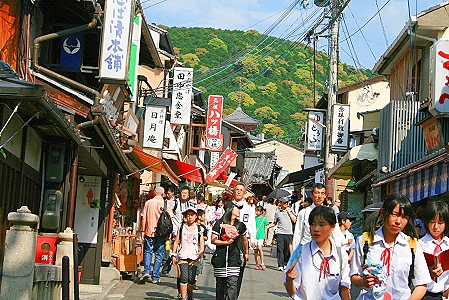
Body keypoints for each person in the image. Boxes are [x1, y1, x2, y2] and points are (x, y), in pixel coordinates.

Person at [350, 193, 432, 300]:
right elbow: (354, 276)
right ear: (383, 213)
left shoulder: (412, 245)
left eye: (404, 217)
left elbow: (422, 284)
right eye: (394, 214)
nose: (398, 221)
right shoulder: (365, 241)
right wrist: (363, 282)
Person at [284, 206, 351, 300]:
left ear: (333, 227)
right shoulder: (300, 253)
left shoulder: (340, 254)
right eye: (313, 224)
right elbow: (292, 292)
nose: (316, 229)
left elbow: (345, 288)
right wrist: (289, 280)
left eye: (322, 224)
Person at [211, 201, 248, 300]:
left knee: (232, 285)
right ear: (230, 209)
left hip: (234, 259)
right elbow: (213, 239)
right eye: (237, 208)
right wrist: (225, 243)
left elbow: (245, 240)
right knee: (220, 286)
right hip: (220, 259)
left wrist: (246, 253)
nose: (239, 210)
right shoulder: (219, 224)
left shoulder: (240, 225)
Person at [140, 186, 173, 284]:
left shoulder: (148, 203)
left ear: (154, 192)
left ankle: (146, 271)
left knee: (148, 251)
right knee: (159, 254)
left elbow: (143, 218)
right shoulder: (166, 204)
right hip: (161, 232)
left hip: (149, 231)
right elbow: (170, 219)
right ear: (163, 194)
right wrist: (169, 233)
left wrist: (142, 230)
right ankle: (155, 276)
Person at [171, 207, 205, 300]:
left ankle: (190, 292)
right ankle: (183, 297)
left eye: (192, 215)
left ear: (195, 216)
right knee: (184, 277)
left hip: (194, 256)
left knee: (191, 279)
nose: (189, 217)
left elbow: (201, 242)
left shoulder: (199, 229)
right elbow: (177, 241)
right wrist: (173, 254)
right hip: (183, 255)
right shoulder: (181, 227)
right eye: (188, 215)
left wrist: (201, 251)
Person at [420, 201, 449, 299]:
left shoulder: (448, 244)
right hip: (426, 294)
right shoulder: (420, 245)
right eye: (432, 222)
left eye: (440, 223)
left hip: (445, 293)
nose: (436, 227)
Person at [232, 182, 256, 296]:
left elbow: (252, 224)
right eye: (237, 189)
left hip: (243, 240)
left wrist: (253, 239)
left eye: (241, 190)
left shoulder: (249, 209)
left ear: (244, 193)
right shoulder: (228, 206)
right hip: (229, 240)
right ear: (233, 191)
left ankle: (235, 293)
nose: (239, 192)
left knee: (240, 267)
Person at [293, 183, 327, 249]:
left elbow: (335, 235)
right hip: (306, 249)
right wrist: (295, 255)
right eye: (317, 193)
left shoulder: (329, 213)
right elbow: (298, 234)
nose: (319, 196)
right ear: (311, 194)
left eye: (322, 193)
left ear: (325, 195)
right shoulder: (304, 212)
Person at [267, 197, 296, 271]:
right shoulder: (277, 212)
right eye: (284, 202)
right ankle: (280, 265)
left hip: (289, 233)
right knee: (280, 249)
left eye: (287, 202)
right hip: (280, 233)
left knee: (287, 250)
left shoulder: (291, 210)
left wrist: (289, 212)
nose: (286, 204)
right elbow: (275, 223)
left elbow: (294, 220)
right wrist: (267, 226)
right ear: (281, 203)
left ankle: (287, 264)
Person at [161, 185, 178, 277]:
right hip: (166, 227)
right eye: (166, 193)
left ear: (172, 193)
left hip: (174, 228)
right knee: (167, 246)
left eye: (169, 193)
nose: (168, 194)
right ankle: (165, 265)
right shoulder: (163, 201)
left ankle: (166, 267)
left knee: (172, 248)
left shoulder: (176, 203)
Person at [254, 205, 269, 270]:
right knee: (255, 251)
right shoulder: (254, 219)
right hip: (254, 236)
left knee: (260, 248)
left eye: (257, 211)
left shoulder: (264, 219)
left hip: (261, 236)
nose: (256, 212)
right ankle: (257, 264)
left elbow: (266, 229)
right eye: (256, 210)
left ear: (261, 212)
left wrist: (265, 238)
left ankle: (262, 263)